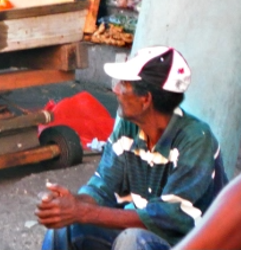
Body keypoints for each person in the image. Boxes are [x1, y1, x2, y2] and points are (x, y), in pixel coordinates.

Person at [38, 46, 227, 250]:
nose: (116, 89)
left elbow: (167, 219)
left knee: (133, 240)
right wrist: (70, 204)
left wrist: (82, 211)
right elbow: (102, 188)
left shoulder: (196, 139)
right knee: (65, 226)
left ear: (145, 99)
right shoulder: (129, 128)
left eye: (124, 84)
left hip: (192, 244)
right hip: (148, 237)